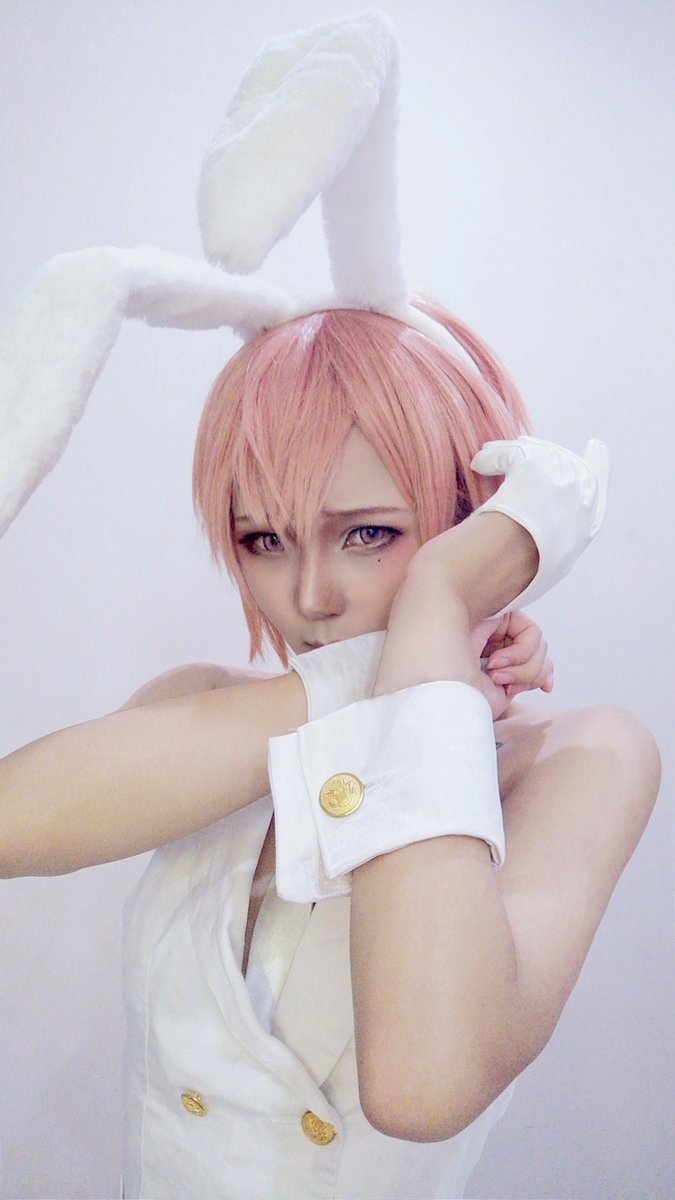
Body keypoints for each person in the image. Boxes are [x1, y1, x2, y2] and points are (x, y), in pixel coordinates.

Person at [0, 14, 660, 1200]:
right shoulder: (204, 709)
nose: (308, 594)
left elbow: (425, 1082)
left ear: (473, 512)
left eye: (370, 534)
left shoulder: (577, 762)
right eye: (264, 540)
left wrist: (440, 611)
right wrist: (390, 664)